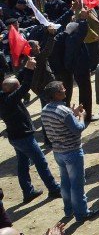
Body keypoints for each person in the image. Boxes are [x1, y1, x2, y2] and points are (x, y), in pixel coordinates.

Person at [0, 57, 60, 202]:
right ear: (14, 91)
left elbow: (17, 83)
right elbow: (25, 86)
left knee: (22, 164)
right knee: (41, 162)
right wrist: (30, 69)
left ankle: (28, 191)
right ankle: (53, 188)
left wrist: (25, 68)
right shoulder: (11, 100)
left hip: (15, 137)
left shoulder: (4, 96)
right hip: (24, 137)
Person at [40, 81, 99, 223]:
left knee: (65, 183)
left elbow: (60, 123)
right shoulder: (64, 111)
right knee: (77, 184)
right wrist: (81, 115)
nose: (65, 89)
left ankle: (69, 210)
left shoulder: (46, 109)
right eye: (62, 89)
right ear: (56, 94)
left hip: (58, 152)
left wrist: (72, 114)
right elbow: (78, 128)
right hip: (72, 152)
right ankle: (82, 213)